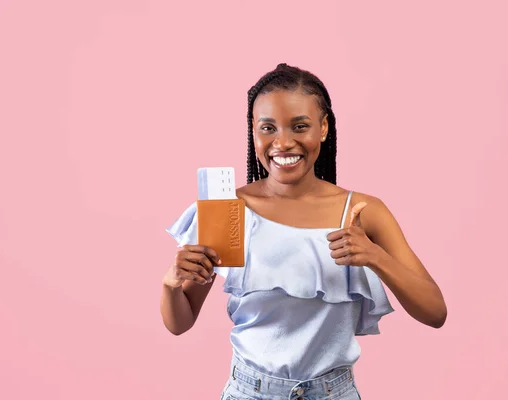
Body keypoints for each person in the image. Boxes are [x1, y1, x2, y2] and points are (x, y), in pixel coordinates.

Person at [160, 63, 447, 400]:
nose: (282, 142)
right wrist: (170, 283)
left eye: (300, 126)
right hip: (249, 393)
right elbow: (179, 323)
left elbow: (435, 312)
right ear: (253, 131)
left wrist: (375, 257)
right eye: (267, 128)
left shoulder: (362, 212)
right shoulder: (227, 208)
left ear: (323, 128)